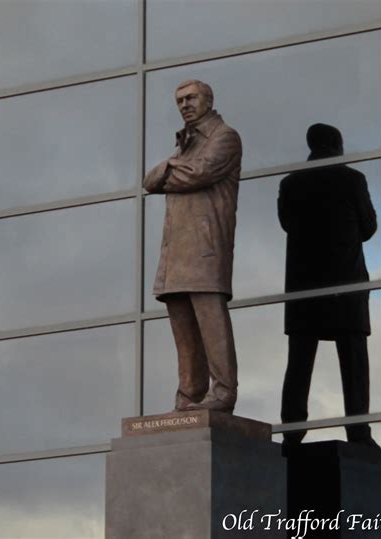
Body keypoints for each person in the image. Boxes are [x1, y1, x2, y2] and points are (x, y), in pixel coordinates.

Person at [143, 80, 242, 413]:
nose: (184, 105)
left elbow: (198, 174)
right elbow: (148, 182)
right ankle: (189, 394)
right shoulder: (185, 146)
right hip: (175, 255)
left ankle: (224, 391)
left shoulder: (224, 137)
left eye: (190, 98)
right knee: (183, 328)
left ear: (208, 100)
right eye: (179, 101)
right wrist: (171, 166)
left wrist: (169, 167)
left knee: (212, 324)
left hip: (204, 249)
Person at [278, 123, 379, 447]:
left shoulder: (291, 184)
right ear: (337, 144)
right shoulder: (352, 180)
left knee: (299, 363)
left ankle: (292, 431)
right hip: (345, 285)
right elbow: (369, 227)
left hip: (305, 288)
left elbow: (286, 224)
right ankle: (359, 432)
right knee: (354, 363)